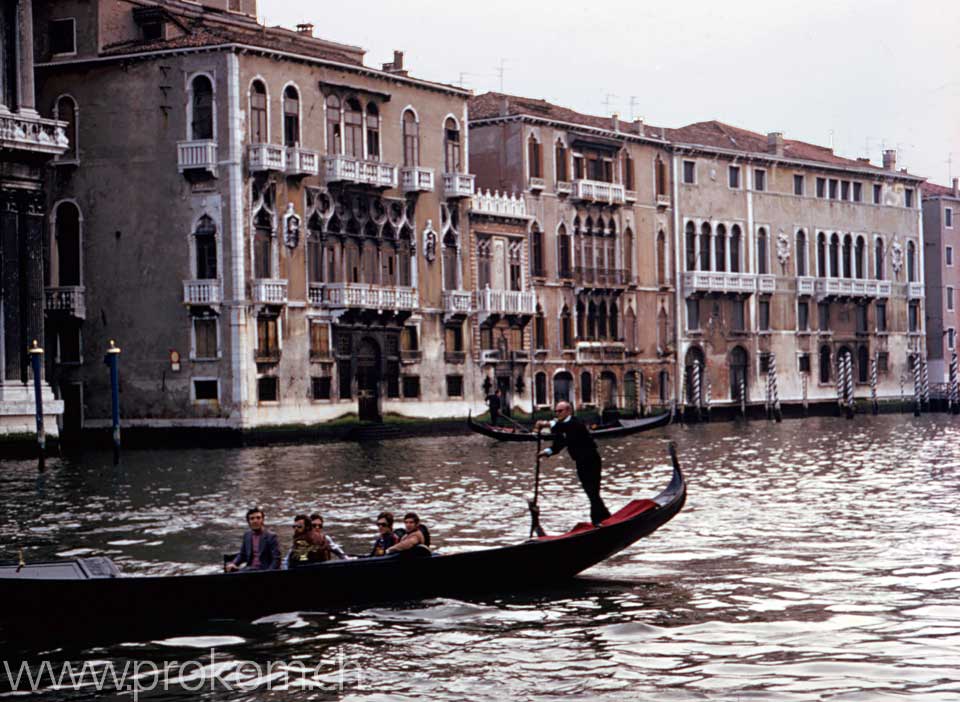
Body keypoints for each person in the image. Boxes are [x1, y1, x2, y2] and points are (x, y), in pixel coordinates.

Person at [536, 401, 611, 526]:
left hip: (591, 459)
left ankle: (597, 520)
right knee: (590, 491)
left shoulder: (576, 423)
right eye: (556, 411)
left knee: (592, 490)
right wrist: (546, 452)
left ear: (568, 411)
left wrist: (546, 424)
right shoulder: (561, 426)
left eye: (560, 411)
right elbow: (559, 444)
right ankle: (605, 516)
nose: (557, 413)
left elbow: (566, 427)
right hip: (580, 461)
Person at [225, 507, 281, 572]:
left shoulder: (271, 536)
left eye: (258, 518)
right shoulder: (247, 535)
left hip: (264, 570)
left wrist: (269, 572)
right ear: (248, 521)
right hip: (249, 569)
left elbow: (276, 559)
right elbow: (242, 554)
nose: (255, 521)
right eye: (252, 518)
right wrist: (233, 563)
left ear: (262, 520)